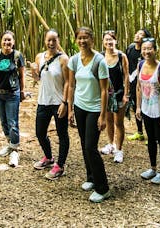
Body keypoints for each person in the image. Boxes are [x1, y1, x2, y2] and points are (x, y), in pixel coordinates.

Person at [67, 27, 111, 203]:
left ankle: (103, 188)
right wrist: (70, 109)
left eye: (86, 38)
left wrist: (103, 115)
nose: (82, 41)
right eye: (79, 38)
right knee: (84, 143)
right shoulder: (74, 60)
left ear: (92, 39)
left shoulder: (99, 61)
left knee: (91, 147)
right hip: (79, 106)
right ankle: (91, 178)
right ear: (76, 40)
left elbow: (104, 90)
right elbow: (71, 85)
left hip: (94, 109)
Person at [29, 29, 70, 179]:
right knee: (40, 132)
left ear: (58, 41)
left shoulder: (63, 59)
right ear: (45, 41)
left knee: (62, 134)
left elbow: (68, 83)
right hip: (43, 101)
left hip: (58, 102)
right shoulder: (40, 57)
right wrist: (33, 71)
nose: (51, 43)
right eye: (49, 40)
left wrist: (65, 103)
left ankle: (60, 165)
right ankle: (48, 157)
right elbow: (37, 78)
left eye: (54, 40)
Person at [0, 30, 26, 167]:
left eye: (9, 40)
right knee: (4, 122)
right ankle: (10, 144)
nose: (7, 42)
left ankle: (14, 151)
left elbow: (22, 74)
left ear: (13, 42)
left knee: (13, 122)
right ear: (1, 41)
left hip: (12, 93)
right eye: (5, 40)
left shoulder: (17, 55)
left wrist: (23, 91)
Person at [135, 36, 160, 184]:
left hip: (159, 109)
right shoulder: (140, 65)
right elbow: (139, 87)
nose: (146, 51)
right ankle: (152, 168)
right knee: (150, 140)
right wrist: (138, 107)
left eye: (149, 48)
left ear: (155, 50)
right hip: (146, 109)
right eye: (144, 49)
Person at [98, 30, 129, 163]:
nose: (109, 42)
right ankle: (110, 144)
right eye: (106, 40)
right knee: (108, 120)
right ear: (103, 42)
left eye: (111, 39)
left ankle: (119, 150)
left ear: (115, 41)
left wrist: (126, 94)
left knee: (119, 123)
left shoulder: (122, 56)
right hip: (106, 94)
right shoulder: (100, 56)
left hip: (119, 94)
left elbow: (127, 76)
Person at [126, 28, 151, 141]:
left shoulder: (145, 51)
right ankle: (139, 132)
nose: (137, 35)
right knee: (136, 106)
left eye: (141, 34)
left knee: (146, 108)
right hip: (132, 83)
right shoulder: (130, 48)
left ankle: (151, 135)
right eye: (137, 33)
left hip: (144, 85)